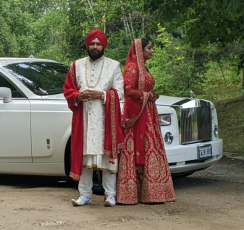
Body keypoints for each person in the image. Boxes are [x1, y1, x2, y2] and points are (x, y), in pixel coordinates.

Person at [63, 29, 124, 207]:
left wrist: (102, 95)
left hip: (106, 120)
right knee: (84, 158)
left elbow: (120, 93)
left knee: (108, 159)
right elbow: (68, 89)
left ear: (103, 46)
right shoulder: (76, 65)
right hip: (85, 120)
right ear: (87, 45)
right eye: (92, 44)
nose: (95, 47)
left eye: (98, 44)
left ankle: (110, 195)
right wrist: (78, 96)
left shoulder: (114, 65)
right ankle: (85, 194)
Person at [117, 38, 175, 204]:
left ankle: (152, 190)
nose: (152, 51)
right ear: (140, 50)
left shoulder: (144, 68)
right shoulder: (133, 68)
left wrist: (152, 94)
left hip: (148, 112)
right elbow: (128, 90)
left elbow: (143, 88)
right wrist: (147, 96)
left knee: (150, 146)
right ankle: (131, 193)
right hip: (138, 114)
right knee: (139, 148)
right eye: (149, 48)